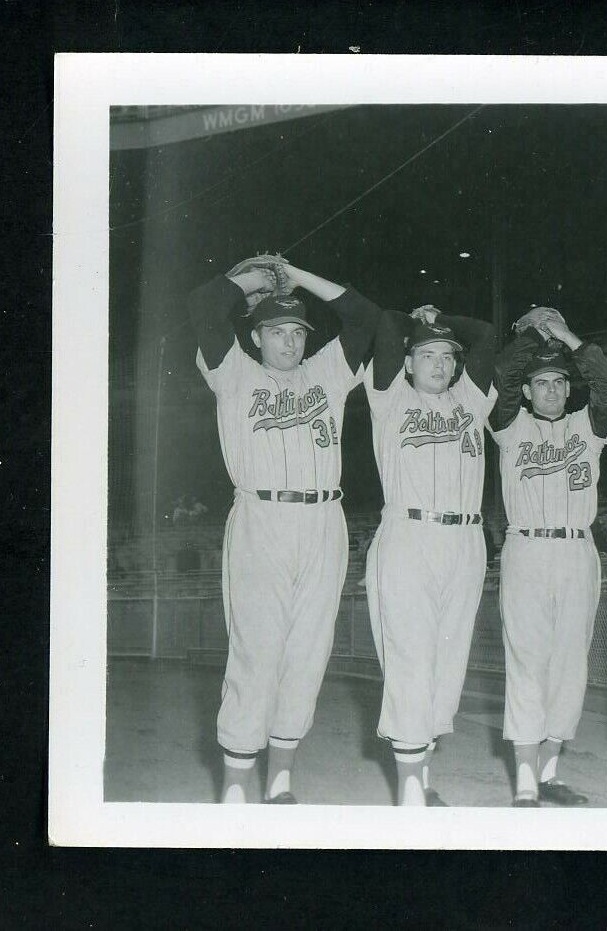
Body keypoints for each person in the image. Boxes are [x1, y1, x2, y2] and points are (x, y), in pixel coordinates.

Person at [187, 254, 379, 804]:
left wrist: (295, 280)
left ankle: (282, 780)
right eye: (277, 330)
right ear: (256, 334)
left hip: (324, 519)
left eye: (298, 330)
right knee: (257, 649)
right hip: (261, 517)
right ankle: (235, 788)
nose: (290, 342)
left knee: (308, 650)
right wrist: (253, 281)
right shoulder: (233, 372)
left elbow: (365, 318)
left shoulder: (326, 372)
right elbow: (202, 305)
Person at [363, 303, 496, 806]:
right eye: (427, 354)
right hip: (409, 533)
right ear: (408, 363)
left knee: (446, 664)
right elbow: (383, 325)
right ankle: (410, 790)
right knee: (411, 658)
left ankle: (420, 773)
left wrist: (444, 321)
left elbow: (483, 331)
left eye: (447, 355)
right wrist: (418, 320)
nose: (439, 364)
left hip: (465, 540)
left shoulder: (471, 401)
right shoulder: (389, 398)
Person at [488, 310, 607, 808]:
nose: (549, 390)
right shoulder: (507, 424)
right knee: (527, 658)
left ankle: (550, 771)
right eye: (540, 382)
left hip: (577, 549)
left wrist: (566, 336)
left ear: (569, 388)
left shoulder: (589, 427)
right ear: (528, 391)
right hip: (527, 546)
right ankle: (525, 776)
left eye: (558, 382)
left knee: (570, 662)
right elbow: (500, 377)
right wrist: (531, 334)